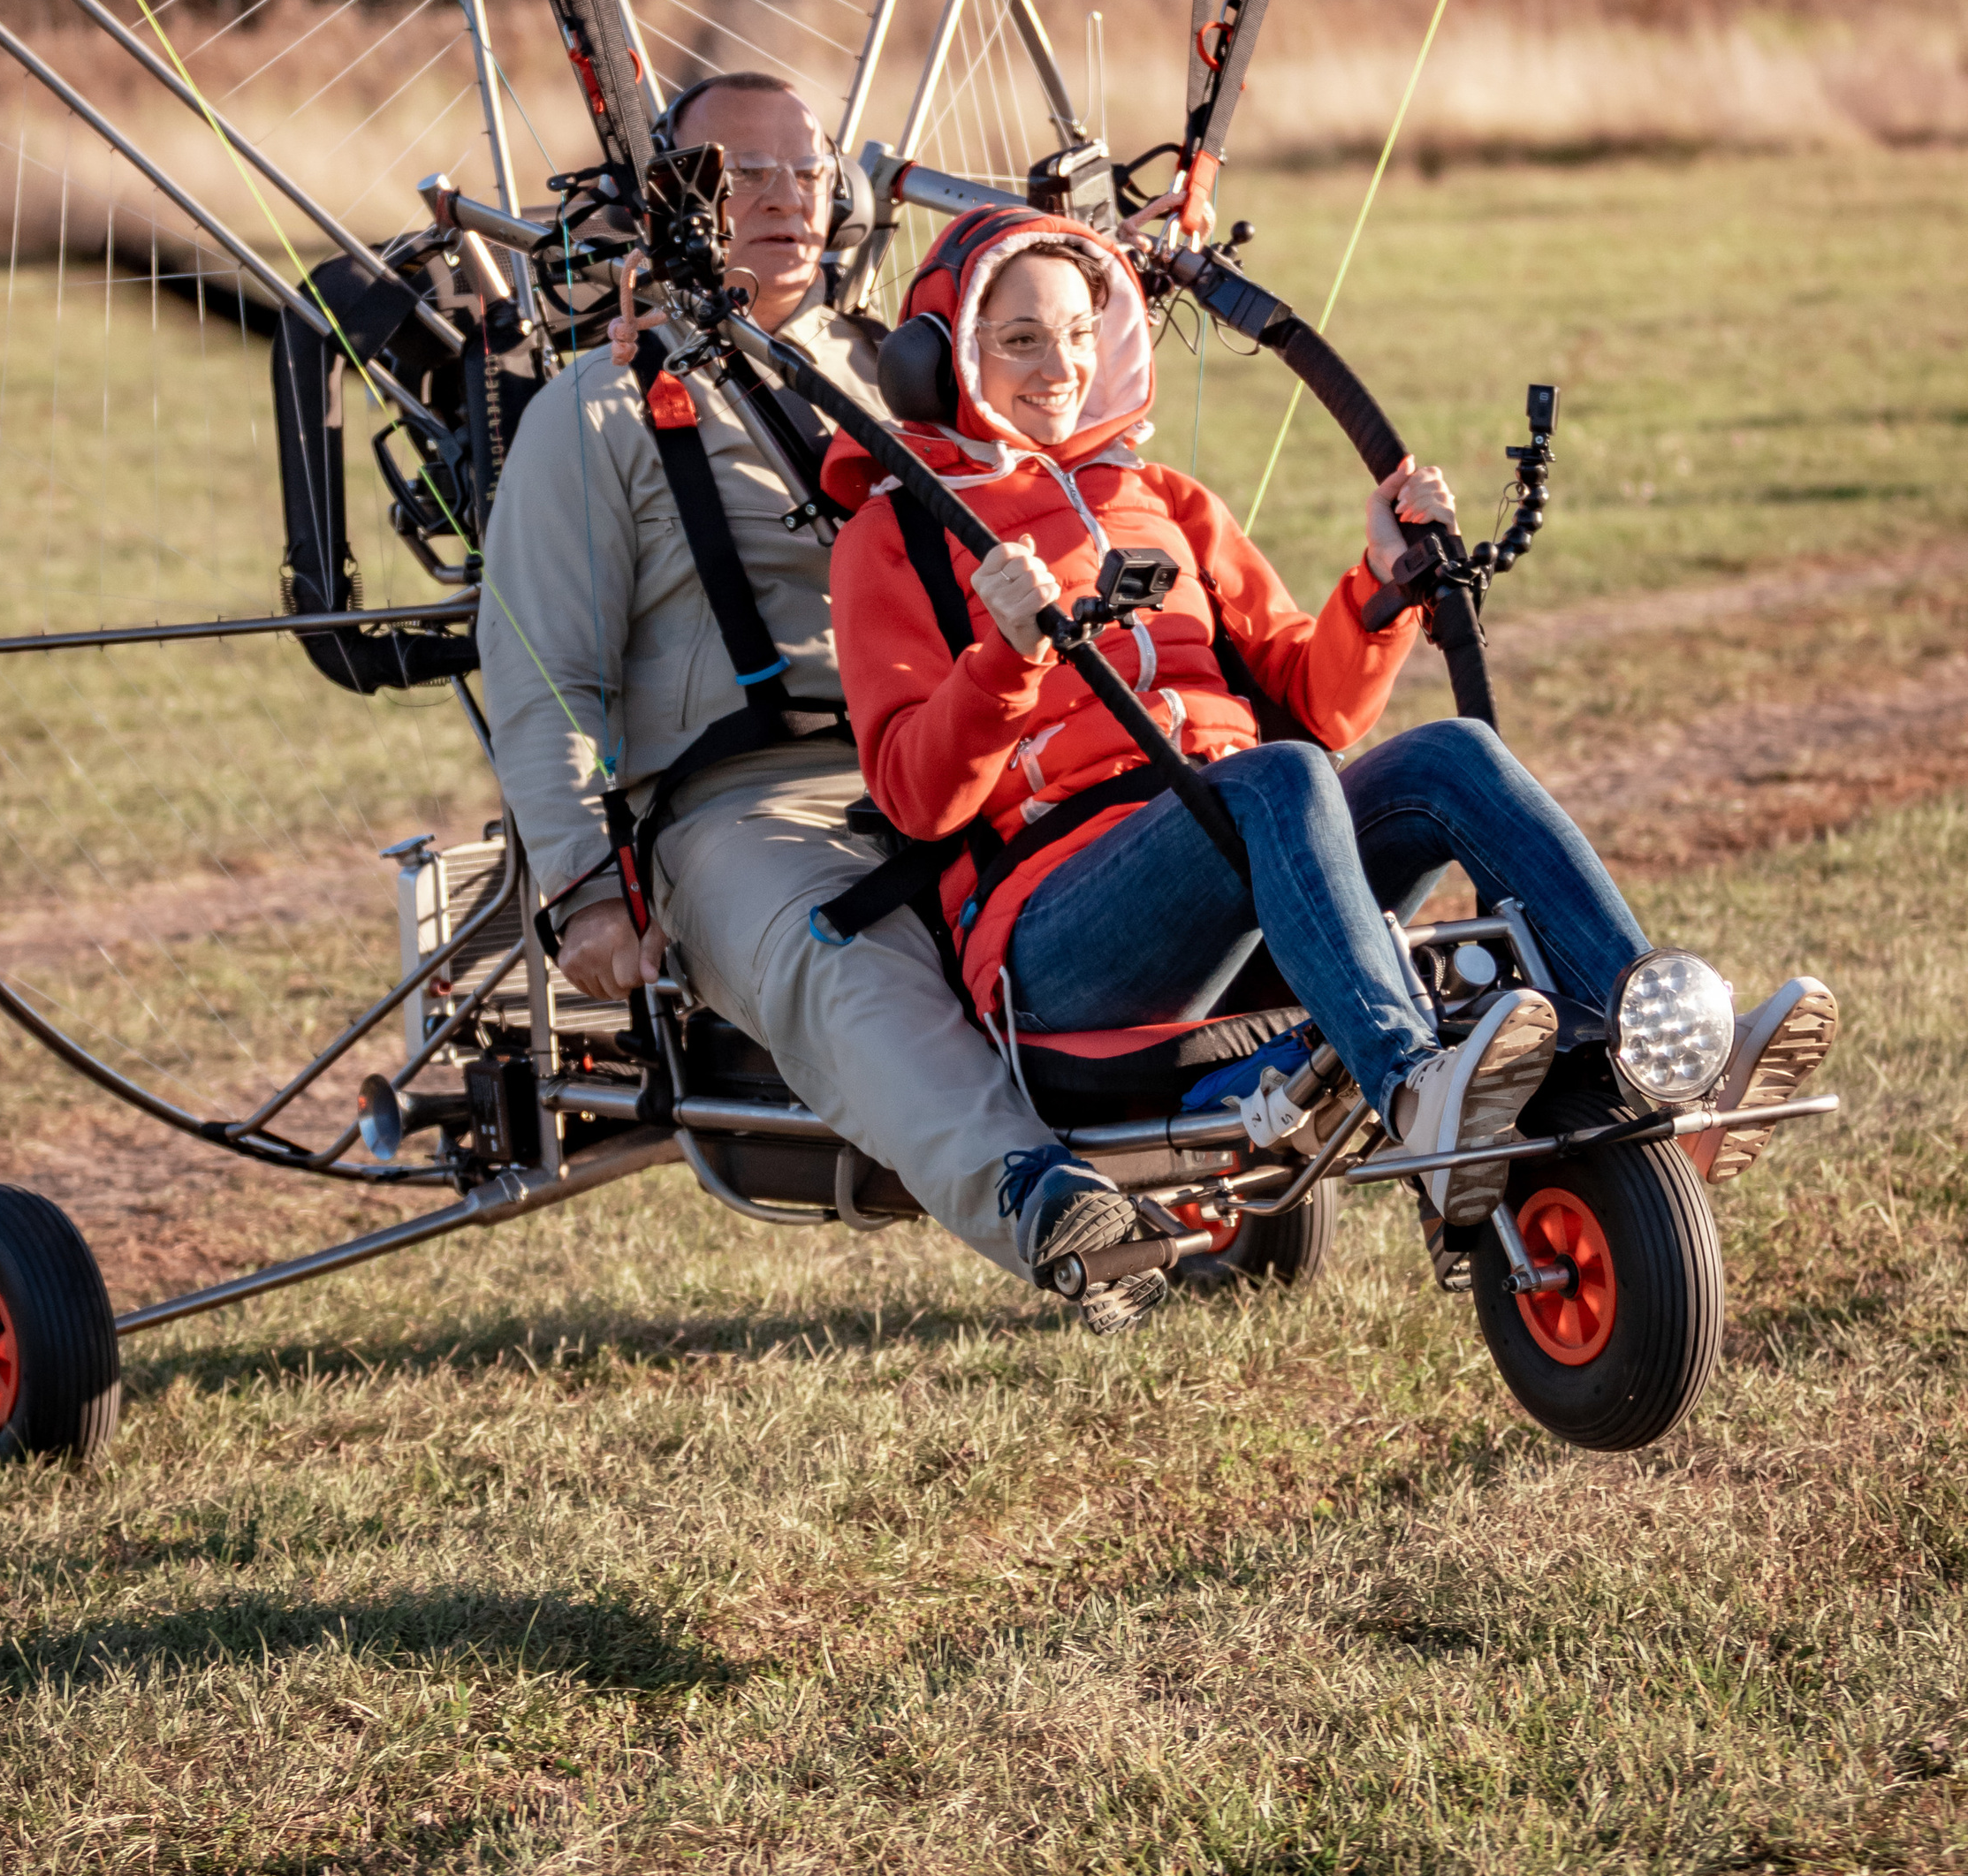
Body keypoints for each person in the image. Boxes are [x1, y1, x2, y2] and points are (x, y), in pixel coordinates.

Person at [827, 209, 1837, 1328]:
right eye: (1016, 339)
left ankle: (1655, 1053)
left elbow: (1318, 703)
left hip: (1243, 851)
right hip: (1061, 933)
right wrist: (1003, 658)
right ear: (939, 358)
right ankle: (1415, 1091)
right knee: (1276, 778)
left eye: (1075, 332)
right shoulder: (897, 540)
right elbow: (917, 799)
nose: (1058, 366)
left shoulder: (1163, 503)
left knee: (1447, 755)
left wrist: (1380, 585)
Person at [478, 72, 1061, 1291]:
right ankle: (1039, 1200)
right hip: (751, 805)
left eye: (804, 169)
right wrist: (587, 889)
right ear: (673, 202)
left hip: (968, 752)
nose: (780, 197)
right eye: (740, 174)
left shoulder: (917, 373)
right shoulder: (596, 410)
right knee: (843, 958)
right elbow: (547, 670)